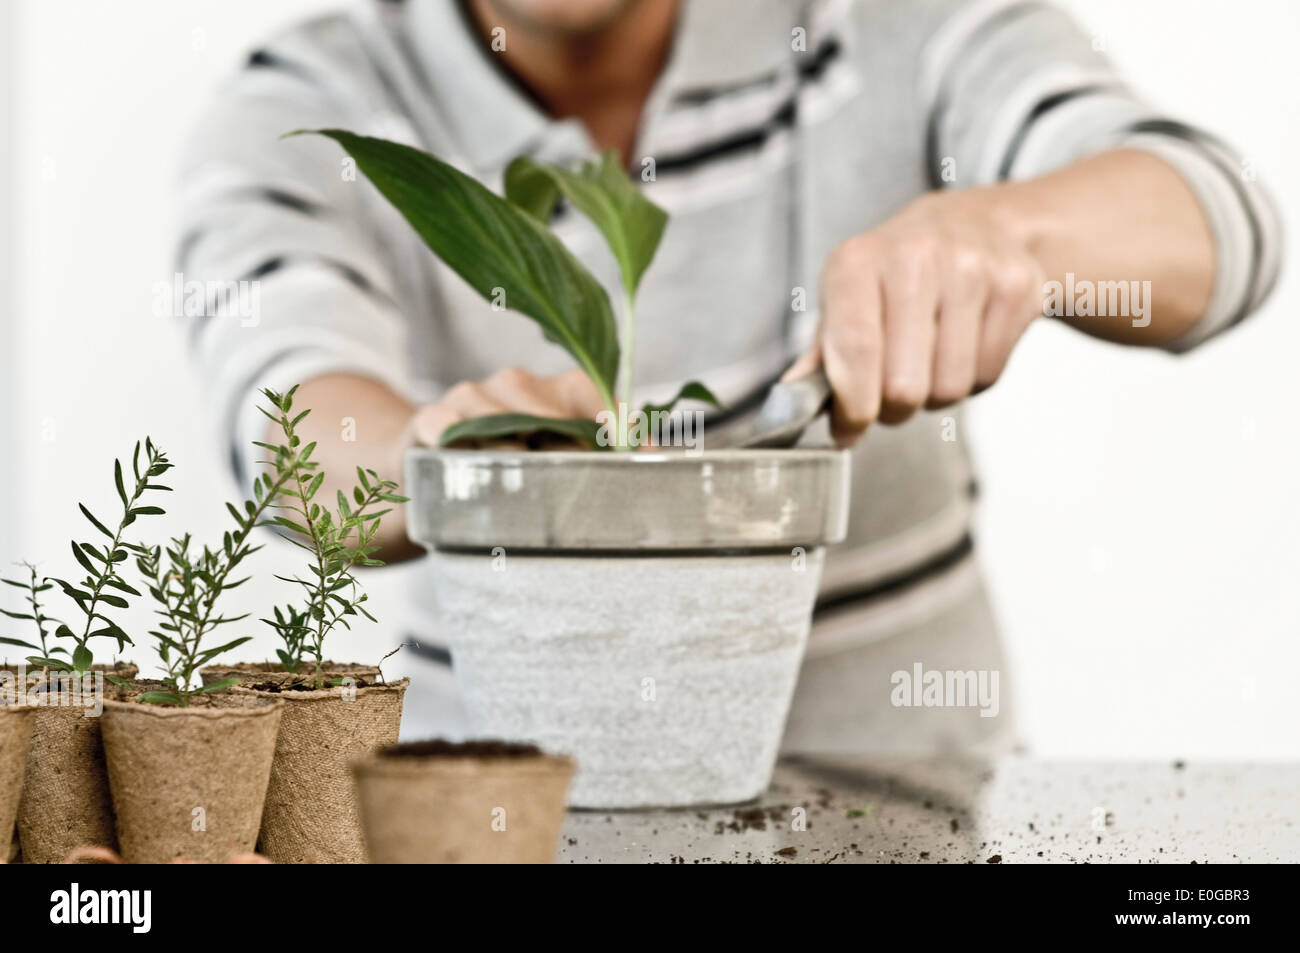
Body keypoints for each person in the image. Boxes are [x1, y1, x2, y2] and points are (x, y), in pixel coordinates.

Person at [178, 0, 1280, 752]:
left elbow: (1218, 217)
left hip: (912, 813)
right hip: (509, 822)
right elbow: (290, 431)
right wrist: (444, 454)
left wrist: (1008, 235)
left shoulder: (879, 25)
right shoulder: (305, 100)